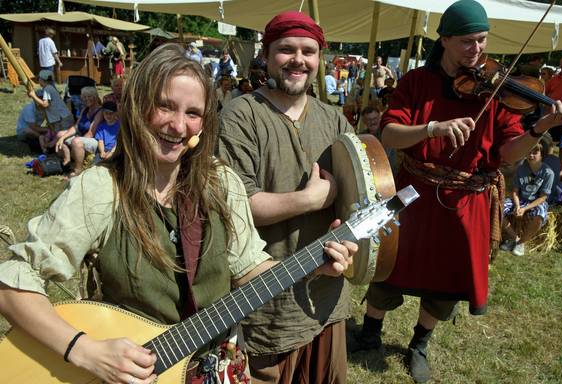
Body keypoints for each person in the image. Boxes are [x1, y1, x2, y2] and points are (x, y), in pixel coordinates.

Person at [0, 43, 354, 384]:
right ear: (139, 108)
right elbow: (11, 282)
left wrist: (313, 266)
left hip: (217, 367)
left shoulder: (221, 183)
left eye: (193, 113)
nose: (178, 125)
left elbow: (247, 267)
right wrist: (86, 351)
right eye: (165, 106)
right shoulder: (101, 190)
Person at [349, 1, 562, 382]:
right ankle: (371, 332)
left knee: (449, 279)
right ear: (446, 40)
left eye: (483, 41)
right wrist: (431, 128)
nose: (478, 50)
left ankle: (419, 344)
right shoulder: (416, 83)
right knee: (389, 263)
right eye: (469, 42)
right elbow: (388, 133)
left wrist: (540, 128)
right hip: (415, 189)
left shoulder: (499, 93)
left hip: (466, 199)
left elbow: (508, 153)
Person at [218, 11, 356, 384]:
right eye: (286, 49)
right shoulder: (240, 115)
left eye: (308, 51)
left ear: (319, 59)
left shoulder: (335, 120)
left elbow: (357, 200)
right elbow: (238, 208)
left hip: (327, 298)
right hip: (266, 304)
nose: (299, 59)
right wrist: (312, 199)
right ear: (266, 54)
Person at [500, 143, 554, 256]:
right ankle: (515, 238)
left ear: (542, 154)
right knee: (498, 208)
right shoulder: (521, 169)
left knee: (540, 215)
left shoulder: (548, 173)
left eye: (535, 152)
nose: (531, 155)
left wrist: (525, 209)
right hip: (521, 200)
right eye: (529, 152)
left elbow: (543, 197)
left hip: (537, 201)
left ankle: (521, 243)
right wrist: (518, 206)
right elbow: (515, 191)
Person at [55, 86, 102, 175]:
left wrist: (76, 139)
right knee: (59, 134)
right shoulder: (85, 109)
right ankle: (68, 159)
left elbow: (91, 133)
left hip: (95, 141)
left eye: (89, 96)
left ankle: (78, 170)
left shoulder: (100, 111)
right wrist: (63, 137)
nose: (86, 99)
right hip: (82, 136)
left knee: (76, 141)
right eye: (84, 97)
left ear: (95, 97)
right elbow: (76, 126)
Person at [28, 70, 75, 154]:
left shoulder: (47, 89)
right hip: (62, 117)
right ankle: (57, 150)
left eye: (39, 79)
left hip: (62, 119)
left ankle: (62, 151)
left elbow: (45, 104)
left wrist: (33, 96)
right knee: (59, 136)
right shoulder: (51, 88)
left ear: (41, 80)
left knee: (61, 137)